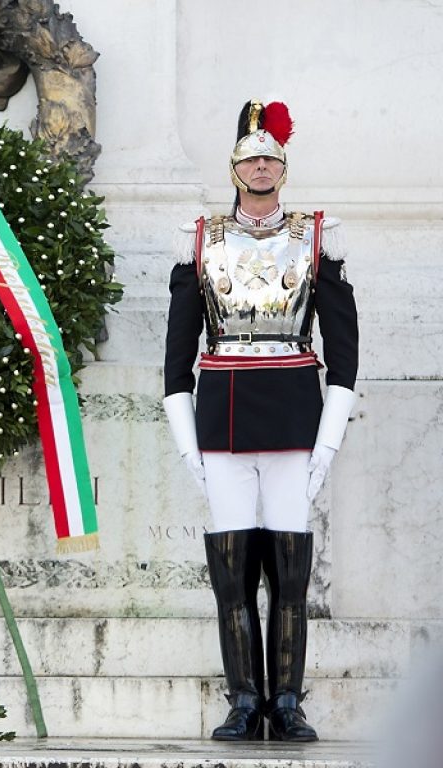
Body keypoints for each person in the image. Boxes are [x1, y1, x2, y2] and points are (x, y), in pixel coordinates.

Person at [163, 100, 358, 742]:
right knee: (232, 568)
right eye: (251, 157)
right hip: (224, 419)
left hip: (293, 417)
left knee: (290, 569)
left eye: (271, 157)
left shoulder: (318, 237)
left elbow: (345, 353)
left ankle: (289, 702)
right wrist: (187, 442)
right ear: (234, 167)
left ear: (284, 166)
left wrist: (328, 440)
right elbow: (176, 357)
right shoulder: (200, 240)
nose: (261, 167)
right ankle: (244, 699)